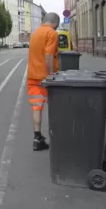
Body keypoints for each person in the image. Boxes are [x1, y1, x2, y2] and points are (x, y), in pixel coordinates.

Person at [27, 12, 60, 151]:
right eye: (57, 26)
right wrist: (52, 76)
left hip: (32, 76)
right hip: (45, 78)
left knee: (37, 107)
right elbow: (48, 56)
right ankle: (57, 136)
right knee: (55, 105)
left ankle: (37, 138)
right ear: (55, 23)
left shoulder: (35, 34)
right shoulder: (51, 33)